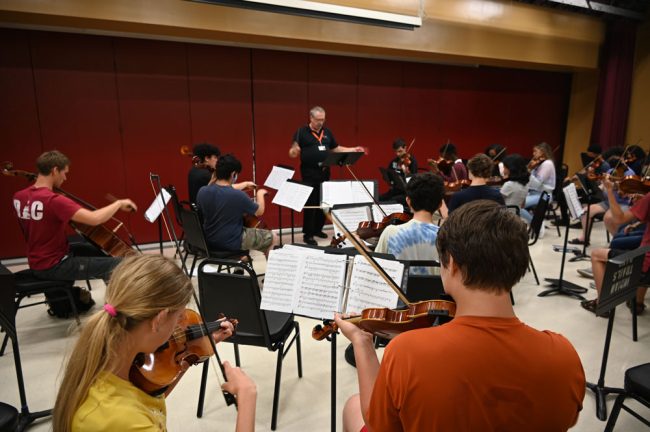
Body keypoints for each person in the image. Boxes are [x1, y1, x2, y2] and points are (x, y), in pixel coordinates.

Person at [337, 200, 586, 432]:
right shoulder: (564, 354)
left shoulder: (406, 352)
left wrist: (362, 342)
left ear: (452, 264)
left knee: (352, 406)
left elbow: (378, 424)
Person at [52, 255, 257, 431]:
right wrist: (247, 398)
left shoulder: (107, 359)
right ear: (158, 320)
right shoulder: (119, 419)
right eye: (179, 317)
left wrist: (193, 351)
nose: (184, 325)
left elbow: (149, 403)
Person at [12, 150, 137, 282]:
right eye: (64, 173)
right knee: (120, 264)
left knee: (97, 251)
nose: (65, 178)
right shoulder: (54, 200)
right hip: (55, 265)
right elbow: (94, 219)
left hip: (38, 259)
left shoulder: (18, 197)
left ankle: (77, 298)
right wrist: (118, 203)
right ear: (55, 170)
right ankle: (113, 301)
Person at [289, 106, 365, 246]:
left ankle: (318, 229)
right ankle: (308, 234)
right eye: (318, 120)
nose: (320, 123)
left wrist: (353, 149)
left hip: (324, 172)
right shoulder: (301, 132)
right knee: (311, 203)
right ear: (311, 118)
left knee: (323, 202)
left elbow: (336, 148)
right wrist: (294, 150)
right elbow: (292, 153)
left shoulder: (327, 132)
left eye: (323, 120)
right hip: (309, 173)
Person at [581, 176, 649, 316]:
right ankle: (637, 303)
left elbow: (619, 219)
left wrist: (610, 191)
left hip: (646, 265)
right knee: (640, 249)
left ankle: (603, 305)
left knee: (597, 255)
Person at [197, 154, 278, 256]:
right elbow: (259, 211)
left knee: (244, 229)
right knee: (273, 236)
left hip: (208, 241)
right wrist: (260, 194)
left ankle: (239, 267)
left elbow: (220, 191)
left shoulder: (202, 191)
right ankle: (269, 270)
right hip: (231, 242)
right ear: (233, 174)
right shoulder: (238, 195)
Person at [375, 172, 443, 275]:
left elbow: (376, 268)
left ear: (408, 201)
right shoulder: (446, 238)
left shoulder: (390, 233)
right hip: (432, 291)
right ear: (439, 205)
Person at [569, 156, 635, 247]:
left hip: (622, 203)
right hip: (608, 202)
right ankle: (584, 238)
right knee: (585, 211)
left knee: (609, 217)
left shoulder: (630, 173)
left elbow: (627, 191)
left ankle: (617, 242)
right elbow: (602, 188)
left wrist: (614, 185)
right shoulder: (610, 171)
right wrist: (601, 182)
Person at [187, 143, 255, 205]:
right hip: (206, 214)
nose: (217, 160)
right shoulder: (205, 175)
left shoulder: (193, 170)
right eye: (215, 157)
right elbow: (226, 189)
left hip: (199, 211)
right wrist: (246, 184)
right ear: (207, 158)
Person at [379, 138, 418, 206]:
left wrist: (406, 173)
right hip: (395, 190)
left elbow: (413, 181)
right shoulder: (394, 161)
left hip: (406, 193)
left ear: (405, 148)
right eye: (396, 151)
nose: (397, 154)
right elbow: (389, 174)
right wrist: (386, 177)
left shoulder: (412, 162)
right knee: (379, 198)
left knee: (391, 201)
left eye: (400, 151)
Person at [524, 141, 556, 210]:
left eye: (535, 151)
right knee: (515, 201)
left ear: (542, 152)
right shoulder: (540, 163)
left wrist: (529, 171)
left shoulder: (547, 164)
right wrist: (530, 169)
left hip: (544, 195)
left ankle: (533, 221)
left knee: (519, 204)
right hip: (534, 193)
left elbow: (536, 185)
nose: (533, 154)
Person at [500, 154, 531, 223]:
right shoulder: (526, 184)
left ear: (511, 169)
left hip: (505, 218)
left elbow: (497, 201)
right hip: (516, 217)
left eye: (504, 167)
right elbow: (523, 205)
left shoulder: (509, 185)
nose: (503, 170)